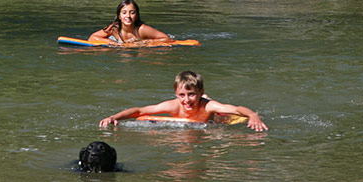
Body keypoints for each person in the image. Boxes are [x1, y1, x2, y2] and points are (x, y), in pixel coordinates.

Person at [99, 70, 269, 131]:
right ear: (175, 94)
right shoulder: (173, 105)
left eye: (191, 94)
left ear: (200, 93)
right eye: (182, 95)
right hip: (187, 122)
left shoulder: (208, 106)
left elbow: (237, 109)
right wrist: (114, 117)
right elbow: (140, 111)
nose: (186, 100)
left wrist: (253, 115)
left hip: (214, 120)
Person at [88, 0, 170, 43]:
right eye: (124, 13)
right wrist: (112, 43)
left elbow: (166, 39)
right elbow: (92, 38)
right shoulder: (114, 28)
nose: (128, 16)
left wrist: (143, 42)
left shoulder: (142, 29)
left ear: (137, 15)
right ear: (119, 16)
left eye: (132, 13)